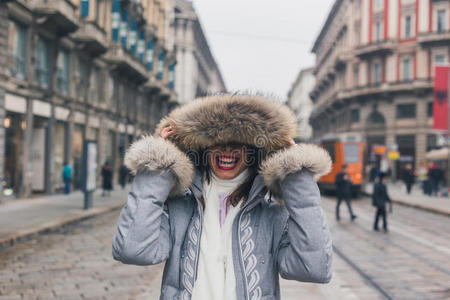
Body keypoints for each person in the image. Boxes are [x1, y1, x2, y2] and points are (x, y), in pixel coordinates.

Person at [112, 94, 333, 300]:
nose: (227, 151)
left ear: (253, 151)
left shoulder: (272, 209)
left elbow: (313, 269)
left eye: (239, 144)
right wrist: (156, 166)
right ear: (203, 147)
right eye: (217, 142)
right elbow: (133, 251)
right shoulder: (179, 204)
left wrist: (296, 175)